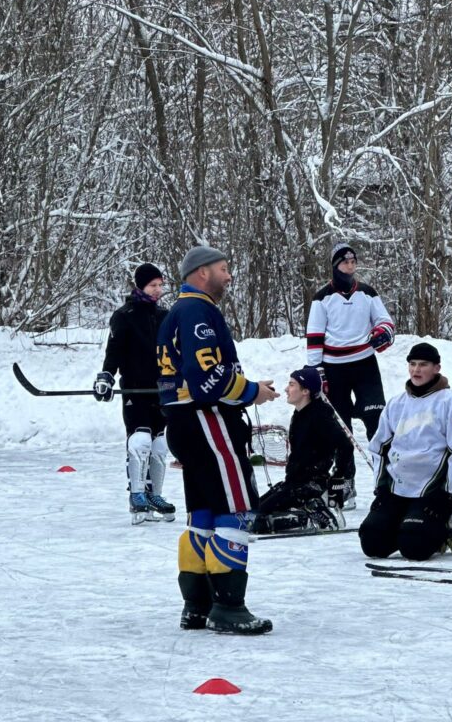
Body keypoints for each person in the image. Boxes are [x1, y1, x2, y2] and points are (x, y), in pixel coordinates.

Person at [157, 245, 280, 634]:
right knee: (235, 509)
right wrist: (252, 392)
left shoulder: (176, 313)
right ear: (201, 272)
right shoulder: (197, 311)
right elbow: (207, 379)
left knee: (203, 516)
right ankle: (229, 607)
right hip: (207, 421)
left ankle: (197, 606)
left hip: (183, 422)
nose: (229, 276)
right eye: (223, 269)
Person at [359, 343, 452, 561]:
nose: (416, 370)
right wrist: (381, 487)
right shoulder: (396, 404)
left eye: (423, 365)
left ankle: (445, 526)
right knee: (372, 541)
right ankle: (405, 521)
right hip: (397, 488)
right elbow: (379, 448)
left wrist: (448, 494)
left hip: (433, 492)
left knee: (414, 546)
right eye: (412, 364)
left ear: (436, 368)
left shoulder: (450, 402)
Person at [306, 242, 395, 510]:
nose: (350, 265)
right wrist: (317, 372)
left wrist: (383, 333)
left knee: (376, 420)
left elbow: (385, 321)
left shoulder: (367, 293)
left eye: (353, 261)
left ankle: (387, 482)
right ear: (336, 266)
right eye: (345, 261)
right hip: (334, 369)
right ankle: (344, 485)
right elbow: (314, 337)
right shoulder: (322, 298)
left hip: (365, 366)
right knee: (340, 429)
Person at [94, 263, 174, 524]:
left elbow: (175, 352)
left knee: (159, 444)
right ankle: (137, 495)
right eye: (153, 285)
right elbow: (114, 351)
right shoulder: (124, 315)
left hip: (161, 389)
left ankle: (154, 495)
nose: (158, 290)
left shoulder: (165, 316)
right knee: (140, 440)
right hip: (135, 389)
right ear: (140, 286)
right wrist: (106, 376)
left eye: (160, 285)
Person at [252, 366, 348, 535]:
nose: (286, 389)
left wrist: (338, 477)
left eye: (291, 385)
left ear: (305, 391)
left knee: (258, 522)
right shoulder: (300, 414)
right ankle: (306, 507)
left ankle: (316, 514)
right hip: (294, 482)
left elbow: (345, 445)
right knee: (253, 511)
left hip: (311, 484)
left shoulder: (320, 416)